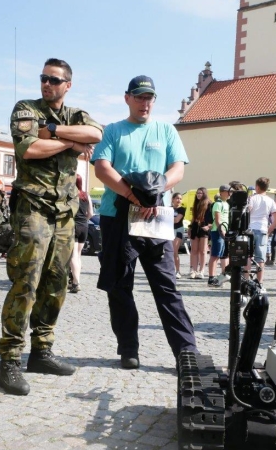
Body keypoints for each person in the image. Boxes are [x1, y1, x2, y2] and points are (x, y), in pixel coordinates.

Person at [0, 58, 103, 395]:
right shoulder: (26, 108)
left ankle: (41, 351)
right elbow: (30, 149)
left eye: (54, 80)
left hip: (64, 213)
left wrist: (56, 131)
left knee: (57, 282)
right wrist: (72, 144)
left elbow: (96, 134)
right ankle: (10, 359)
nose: (47, 84)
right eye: (44, 78)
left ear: (67, 85)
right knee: (26, 280)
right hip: (33, 208)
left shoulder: (74, 115)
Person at [93, 75, 199, 369]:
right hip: (118, 217)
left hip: (154, 218)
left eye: (149, 97)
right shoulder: (113, 131)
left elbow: (178, 168)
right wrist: (132, 194)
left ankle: (186, 351)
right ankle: (128, 348)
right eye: (139, 97)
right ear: (127, 98)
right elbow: (102, 169)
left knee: (166, 287)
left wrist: (156, 190)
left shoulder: (165, 130)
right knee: (119, 287)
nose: (145, 103)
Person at [245, 177, 276, 284]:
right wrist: (269, 231)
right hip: (262, 229)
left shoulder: (252, 198)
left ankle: (246, 279)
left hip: (250, 229)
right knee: (260, 258)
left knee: (248, 256)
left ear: (257, 187)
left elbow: (246, 213)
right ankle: (259, 282)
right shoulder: (270, 201)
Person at [69, 174, 94, 294]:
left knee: (73, 255)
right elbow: (91, 213)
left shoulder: (70, 195)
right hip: (84, 226)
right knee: (78, 255)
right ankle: (74, 279)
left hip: (72, 226)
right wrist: (84, 219)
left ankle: (76, 282)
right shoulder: (86, 195)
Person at [208, 185, 230, 287]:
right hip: (218, 231)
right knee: (215, 255)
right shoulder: (218, 203)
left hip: (223, 231)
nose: (229, 193)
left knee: (220, 254)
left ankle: (220, 276)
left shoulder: (226, 204)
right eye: (227, 191)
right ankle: (211, 277)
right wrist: (221, 230)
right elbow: (217, 219)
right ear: (221, 192)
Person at [188, 187, 213, 279]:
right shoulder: (196, 203)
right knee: (194, 250)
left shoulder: (209, 204)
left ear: (204, 194)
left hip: (204, 228)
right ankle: (193, 270)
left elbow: (213, 218)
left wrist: (209, 226)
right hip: (195, 227)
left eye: (200, 193)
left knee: (202, 251)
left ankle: (201, 270)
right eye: (197, 193)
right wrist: (190, 227)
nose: (198, 195)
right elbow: (194, 217)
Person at [172, 192, 186, 279]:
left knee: (175, 251)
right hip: (169, 230)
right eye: (177, 198)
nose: (179, 200)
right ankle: (170, 270)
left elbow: (177, 220)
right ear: (172, 199)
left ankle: (177, 271)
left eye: (180, 198)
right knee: (168, 252)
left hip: (178, 230)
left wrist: (167, 217)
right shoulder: (169, 208)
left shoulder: (182, 209)